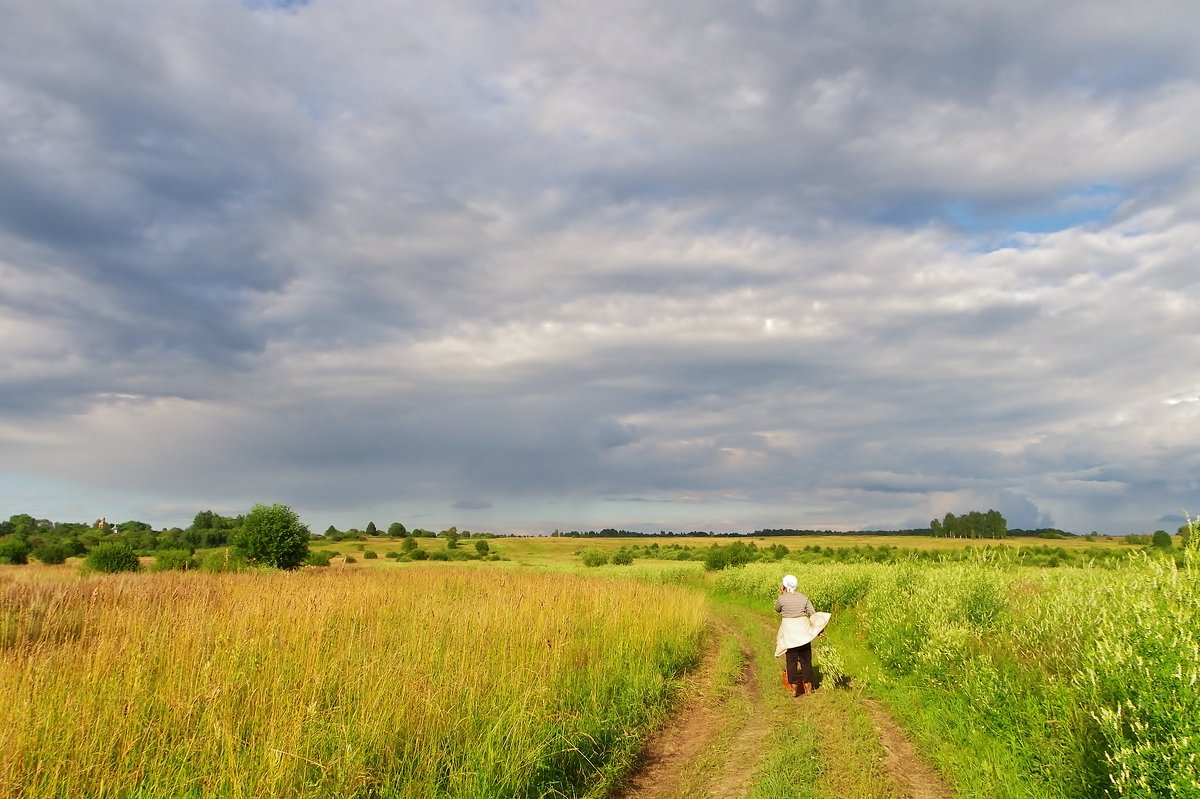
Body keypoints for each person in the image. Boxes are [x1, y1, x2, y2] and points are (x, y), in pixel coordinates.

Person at [774, 574, 817, 697]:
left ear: (784, 585)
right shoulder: (804, 598)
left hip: (790, 634)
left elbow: (777, 609)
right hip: (803, 633)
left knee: (791, 660)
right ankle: (808, 687)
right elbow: (812, 613)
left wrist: (783, 594)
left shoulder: (781, 599)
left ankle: (794, 689)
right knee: (806, 660)